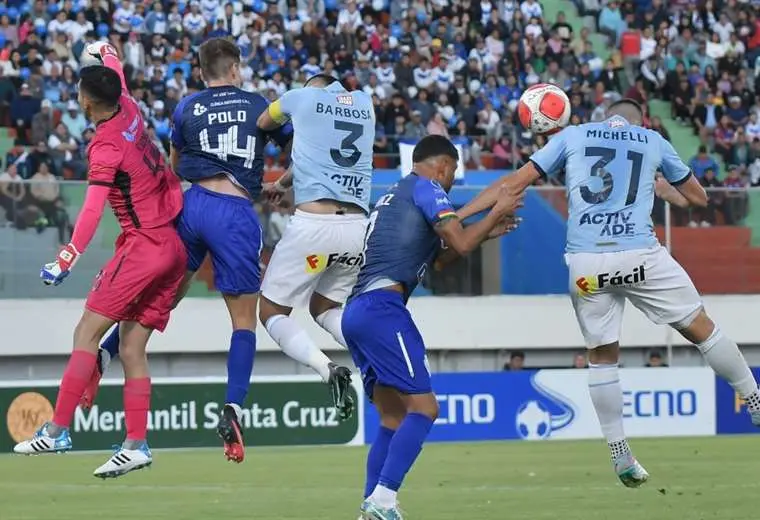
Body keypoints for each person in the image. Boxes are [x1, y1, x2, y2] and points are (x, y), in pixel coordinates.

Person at [458, 99, 760, 488]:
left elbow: (511, 184)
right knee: (701, 328)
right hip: (640, 256)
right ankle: (753, 399)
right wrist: (663, 189)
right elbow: (699, 198)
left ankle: (620, 454)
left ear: (603, 117)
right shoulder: (652, 140)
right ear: (642, 121)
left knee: (601, 357)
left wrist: (462, 216)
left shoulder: (572, 135)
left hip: (587, 268)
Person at [84, 38, 293, 465]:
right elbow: (295, 147)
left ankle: (104, 350)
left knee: (162, 299)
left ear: (201, 72)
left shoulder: (187, 107)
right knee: (243, 323)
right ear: (235, 69)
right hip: (235, 213)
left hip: (192, 206)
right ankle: (234, 409)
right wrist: (276, 184)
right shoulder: (258, 105)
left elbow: (177, 163)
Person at [12, 43, 185, 480]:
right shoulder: (127, 106)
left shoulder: (105, 146)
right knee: (130, 347)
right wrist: (106, 52)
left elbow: (91, 210)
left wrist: (67, 257)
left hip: (143, 246)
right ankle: (136, 443)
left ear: (86, 101)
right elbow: (116, 70)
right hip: (174, 246)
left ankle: (56, 430)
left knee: (86, 332)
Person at [342, 135, 522, 519]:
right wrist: (495, 210)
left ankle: (369, 507)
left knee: (392, 418)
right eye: (454, 171)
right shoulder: (428, 188)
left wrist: (488, 229)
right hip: (382, 309)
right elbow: (460, 242)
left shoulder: (395, 194)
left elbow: (440, 256)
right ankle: (384, 499)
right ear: (442, 166)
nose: (453, 180)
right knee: (425, 408)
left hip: (357, 311)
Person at [255, 73, 374, 422]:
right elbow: (325, 154)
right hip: (356, 228)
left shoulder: (300, 98)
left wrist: (289, 112)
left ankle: (327, 369)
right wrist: (283, 182)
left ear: (312, 87)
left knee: (271, 311)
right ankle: (374, 353)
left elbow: (264, 122)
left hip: (314, 225)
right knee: (325, 306)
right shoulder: (366, 104)